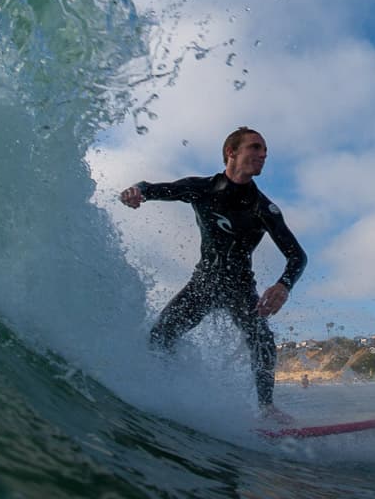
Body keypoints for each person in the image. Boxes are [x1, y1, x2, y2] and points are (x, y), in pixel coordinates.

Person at [120, 126, 306, 418]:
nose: (263, 154)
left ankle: (267, 408)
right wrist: (138, 191)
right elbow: (153, 188)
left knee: (262, 340)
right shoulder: (202, 188)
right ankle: (160, 390)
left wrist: (283, 285)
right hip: (203, 285)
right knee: (159, 338)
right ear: (231, 152)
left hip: (240, 289)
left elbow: (297, 257)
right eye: (255, 147)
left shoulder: (263, 208)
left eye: (265, 151)